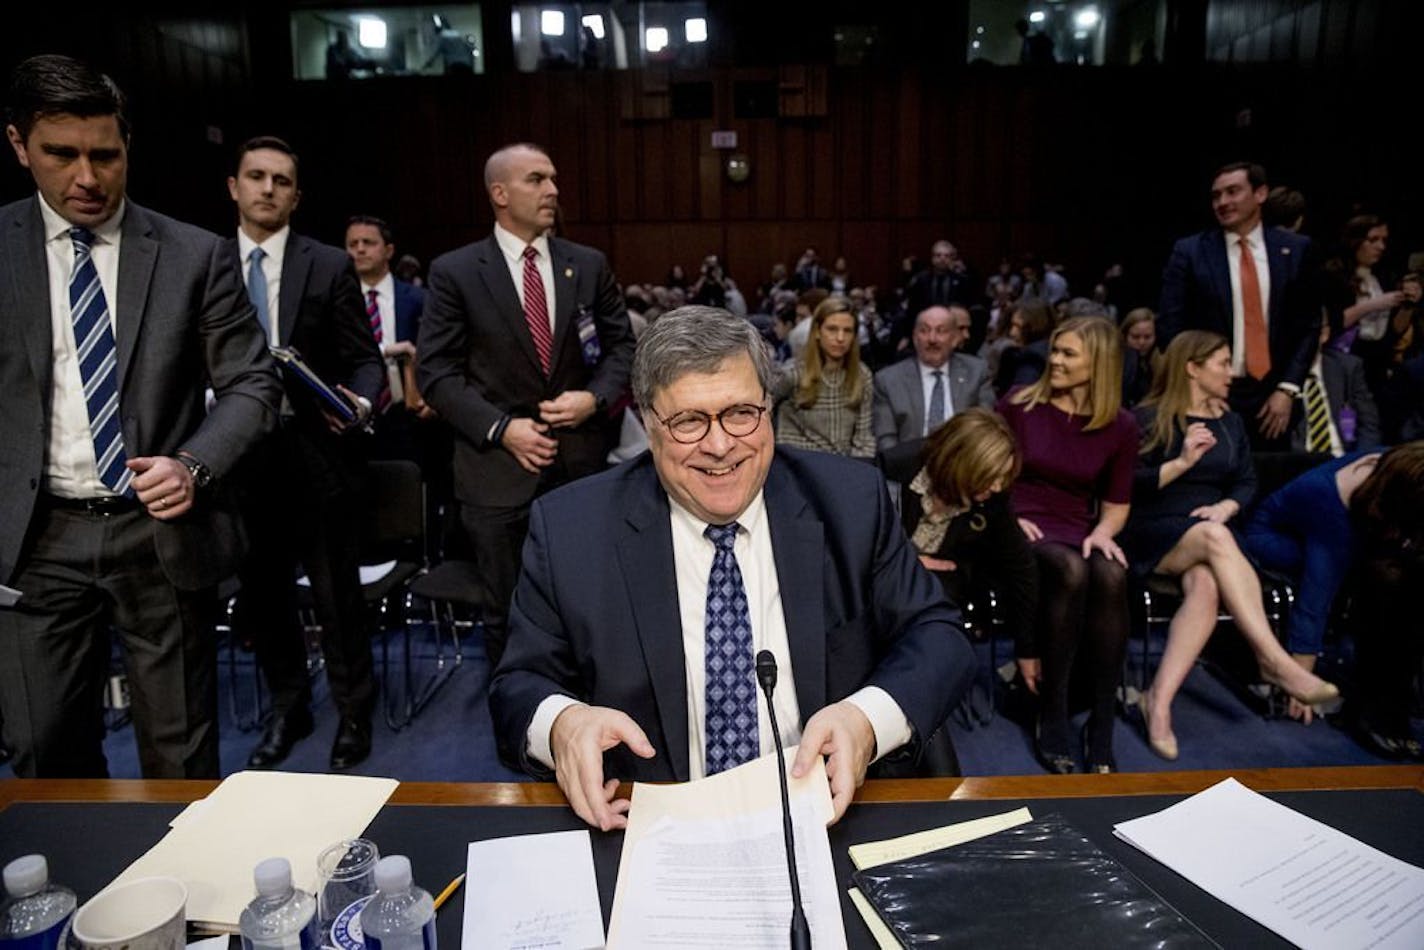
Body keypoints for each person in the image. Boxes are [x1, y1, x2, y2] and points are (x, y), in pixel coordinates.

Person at [489, 306, 973, 829]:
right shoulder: (571, 529)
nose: (720, 446)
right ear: (649, 425)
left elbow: (938, 636)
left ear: (769, 410)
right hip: (650, 820)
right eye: (689, 421)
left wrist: (865, 721)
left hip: (827, 811)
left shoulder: (850, 500)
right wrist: (563, 723)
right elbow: (518, 683)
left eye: (742, 413)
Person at [0, 55, 282, 778]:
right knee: (42, 752)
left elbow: (253, 383)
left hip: (158, 534)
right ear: (18, 146)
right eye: (61, 155)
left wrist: (194, 465)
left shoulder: (192, 254)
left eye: (106, 155)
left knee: (181, 755)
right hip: (35, 538)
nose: (87, 178)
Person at [417, 143, 635, 668]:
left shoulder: (586, 264)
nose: (553, 190)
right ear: (499, 193)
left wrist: (594, 397)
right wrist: (501, 429)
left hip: (580, 464)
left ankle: (589, 714)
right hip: (496, 470)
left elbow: (623, 347)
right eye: (537, 179)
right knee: (507, 608)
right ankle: (520, 729)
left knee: (589, 602)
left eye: (554, 179)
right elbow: (435, 373)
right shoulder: (457, 272)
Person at [225, 136, 386, 771]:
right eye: (256, 176)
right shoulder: (203, 262)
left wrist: (363, 401)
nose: (268, 189)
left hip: (318, 459)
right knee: (264, 601)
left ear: (296, 195)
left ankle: (353, 712)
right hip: (239, 464)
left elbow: (365, 359)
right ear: (233, 187)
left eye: (282, 180)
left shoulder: (326, 264)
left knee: (336, 601)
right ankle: (288, 707)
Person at [1121, 331, 1339, 760]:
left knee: (1206, 586)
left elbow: (1247, 480)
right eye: (1222, 362)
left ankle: (1157, 702)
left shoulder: (1230, 421)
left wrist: (1227, 504)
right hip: (1153, 530)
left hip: (1209, 532)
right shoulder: (1145, 418)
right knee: (1216, 539)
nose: (1231, 372)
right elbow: (1128, 485)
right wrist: (1182, 462)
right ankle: (1274, 660)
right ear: (1192, 367)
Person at [999, 316, 1138, 774]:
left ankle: (1101, 724)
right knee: (1073, 570)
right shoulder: (1019, 405)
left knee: (1112, 573)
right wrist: (1011, 517)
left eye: (1067, 354)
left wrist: (1102, 534)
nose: (1053, 361)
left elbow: (1117, 504)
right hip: (1020, 525)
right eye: (1054, 351)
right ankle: (1052, 714)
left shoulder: (1121, 426)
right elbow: (985, 474)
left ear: (1097, 363)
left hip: (1076, 527)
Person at [1158, 162, 1323, 449]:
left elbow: (1308, 325)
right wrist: (1199, 388)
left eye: (1232, 192)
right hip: (1209, 395)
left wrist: (1287, 388)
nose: (1222, 202)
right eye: (1216, 196)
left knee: (1271, 481)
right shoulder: (1191, 252)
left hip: (1274, 395)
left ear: (1260, 194)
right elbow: (1171, 327)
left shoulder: (1296, 249)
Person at [1242, 449, 1384, 722]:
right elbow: (1313, 601)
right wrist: (1302, 677)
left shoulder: (1400, 461)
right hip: (1270, 538)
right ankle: (1292, 675)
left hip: (1336, 532)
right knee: (1331, 573)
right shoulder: (1331, 501)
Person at [901, 409, 1038, 670]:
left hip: (939, 604)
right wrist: (909, 559)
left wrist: (1027, 650)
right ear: (962, 464)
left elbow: (1022, 570)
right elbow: (858, 536)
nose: (998, 486)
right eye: (991, 476)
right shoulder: (899, 467)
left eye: (1003, 477)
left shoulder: (993, 499)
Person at [1346, 441, 1424, 759]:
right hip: (1382, 569)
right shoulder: (1397, 480)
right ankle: (1373, 714)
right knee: (1391, 597)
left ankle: (1399, 712)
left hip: (1411, 559)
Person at [872, 305, 994, 453]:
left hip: (963, 464)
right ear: (915, 338)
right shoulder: (888, 380)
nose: (932, 339)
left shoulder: (976, 372)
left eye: (941, 331)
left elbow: (986, 430)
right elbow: (886, 440)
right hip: (908, 467)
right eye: (924, 330)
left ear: (955, 338)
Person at [772, 295, 875, 459]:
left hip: (843, 467)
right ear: (818, 331)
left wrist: (860, 472)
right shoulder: (793, 373)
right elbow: (760, 411)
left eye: (847, 331)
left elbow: (863, 438)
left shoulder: (862, 375)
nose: (840, 338)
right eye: (832, 329)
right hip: (798, 466)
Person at [1288, 319, 1381, 456]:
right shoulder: (1279, 376)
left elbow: (1369, 424)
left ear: (1324, 334)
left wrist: (1359, 460)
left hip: (1343, 457)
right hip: (1300, 461)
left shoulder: (1348, 367)